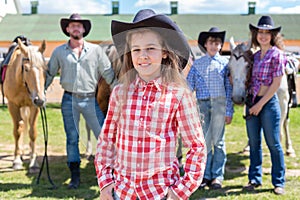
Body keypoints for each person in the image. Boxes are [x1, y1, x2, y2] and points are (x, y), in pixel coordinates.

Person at [94, 9, 207, 200]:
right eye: (136, 49)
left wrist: (178, 192)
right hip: (123, 193)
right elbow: (106, 141)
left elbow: (197, 147)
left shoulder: (178, 95)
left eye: (150, 48)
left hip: (160, 193)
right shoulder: (119, 93)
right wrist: (106, 184)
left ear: (164, 52)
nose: (142, 55)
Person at [45, 13, 116, 189]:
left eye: (79, 25)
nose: (76, 28)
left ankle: (108, 173)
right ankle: (75, 177)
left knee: (103, 138)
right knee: (72, 138)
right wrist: (40, 93)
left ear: (84, 29)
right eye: (72, 25)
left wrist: (120, 92)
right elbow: (49, 73)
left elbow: (108, 73)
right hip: (69, 99)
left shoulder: (95, 51)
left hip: (91, 99)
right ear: (67, 29)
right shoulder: (59, 52)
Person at [243, 15, 286, 195]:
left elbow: (276, 84)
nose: (263, 35)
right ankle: (254, 178)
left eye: (267, 33)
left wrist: (259, 105)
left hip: (267, 104)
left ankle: (278, 181)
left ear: (272, 35)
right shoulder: (254, 56)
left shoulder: (277, 54)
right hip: (252, 102)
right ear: (256, 34)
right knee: (254, 143)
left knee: (273, 143)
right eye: (260, 32)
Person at [186, 27, 234, 190]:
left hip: (219, 105)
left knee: (218, 142)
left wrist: (229, 111)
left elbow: (229, 89)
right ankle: (205, 175)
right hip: (202, 105)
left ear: (221, 46)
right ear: (205, 45)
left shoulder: (226, 64)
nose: (214, 46)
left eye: (217, 43)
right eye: (211, 42)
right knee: (204, 142)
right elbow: (188, 87)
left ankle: (217, 176)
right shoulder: (197, 64)